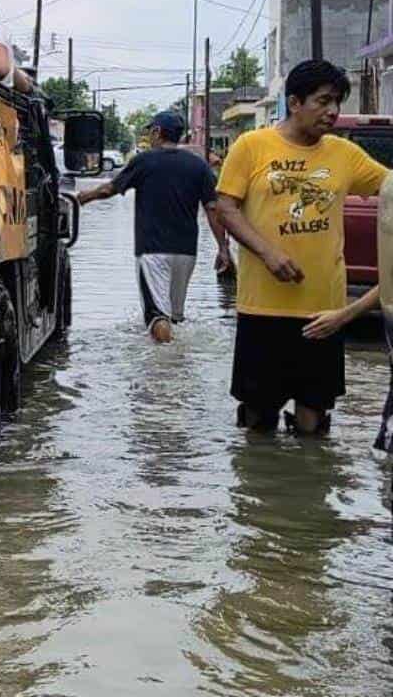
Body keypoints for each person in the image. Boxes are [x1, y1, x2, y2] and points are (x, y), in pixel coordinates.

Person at [216, 58, 387, 434]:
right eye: (323, 101)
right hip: (262, 307)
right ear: (295, 103)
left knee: (314, 418)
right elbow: (225, 206)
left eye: (337, 102)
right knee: (258, 418)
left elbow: (388, 189)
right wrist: (268, 253)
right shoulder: (252, 146)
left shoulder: (346, 155)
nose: (333, 111)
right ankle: (260, 489)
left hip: (324, 311)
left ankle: (308, 488)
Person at [78, 111, 230, 343]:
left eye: (151, 130)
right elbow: (213, 210)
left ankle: (165, 372)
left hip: (153, 252)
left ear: (158, 132)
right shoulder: (199, 166)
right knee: (176, 319)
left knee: (157, 317)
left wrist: (81, 199)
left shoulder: (144, 161)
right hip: (186, 253)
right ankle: (179, 364)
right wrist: (223, 248)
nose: (149, 135)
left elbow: (108, 190)